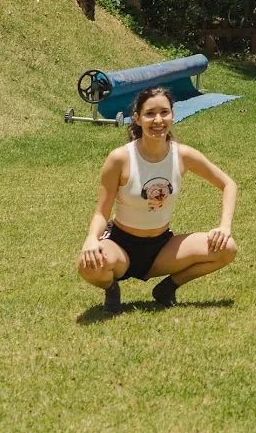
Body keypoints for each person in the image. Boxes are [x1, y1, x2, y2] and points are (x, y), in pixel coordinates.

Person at [77, 85, 239, 313]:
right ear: (137, 118)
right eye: (150, 113)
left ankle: (167, 288)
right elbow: (101, 212)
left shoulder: (182, 155)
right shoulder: (120, 158)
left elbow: (228, 184)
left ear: (173, 115)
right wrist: (92, 239)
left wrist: (224, 226)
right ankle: (112, 289)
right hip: (120, 245)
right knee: (87, 265)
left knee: (227, 248)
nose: (158, 120)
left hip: (161, 247)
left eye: (164, 112)